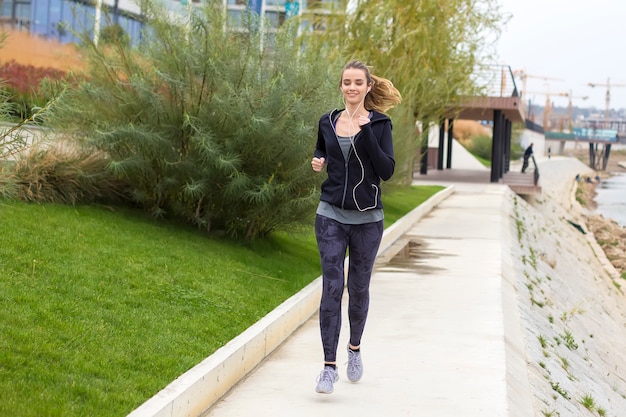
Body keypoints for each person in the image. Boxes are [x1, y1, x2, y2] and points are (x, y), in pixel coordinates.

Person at [310, 60, 402, 394]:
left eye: (357, 83)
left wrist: (366, 133)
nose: (351, 87)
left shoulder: (379, 124)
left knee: (358, 288)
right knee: (332, 287)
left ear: (367, 87)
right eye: (346, 82)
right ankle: (328, 367)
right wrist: (318, 161)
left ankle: (354, 349)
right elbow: (322, 151)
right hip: (331, 214)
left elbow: (386, 169)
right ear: (341, 86)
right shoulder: (327, 121)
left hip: (367, 221)